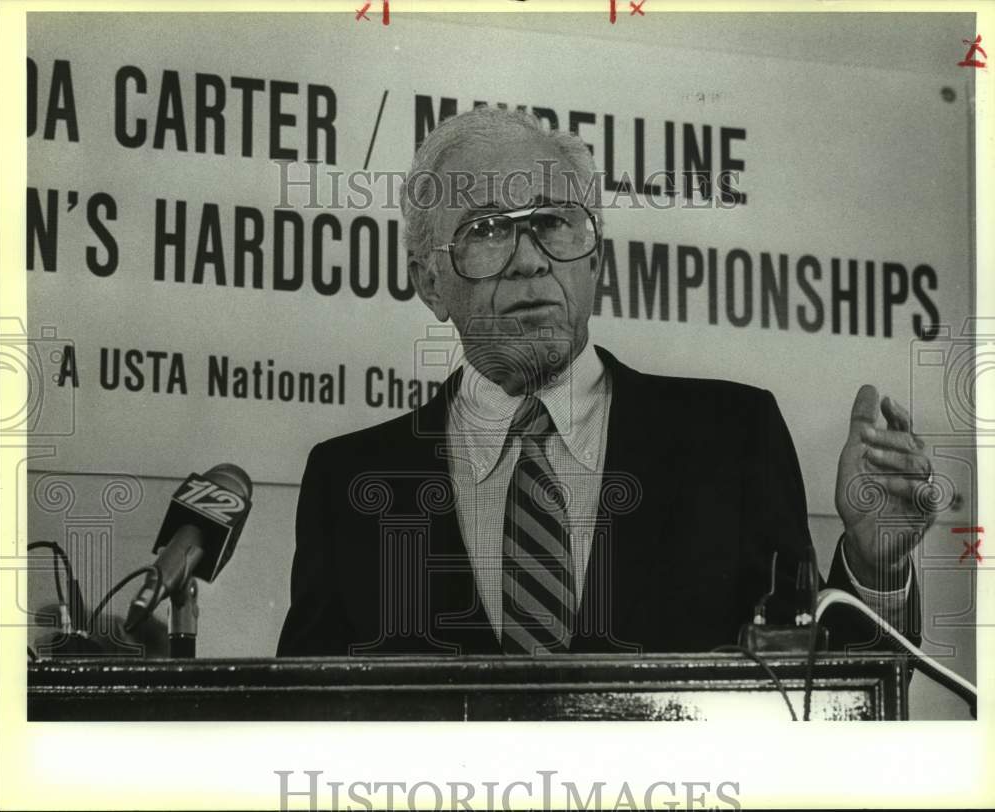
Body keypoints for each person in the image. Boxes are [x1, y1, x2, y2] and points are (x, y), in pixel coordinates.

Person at [277, 107, 936, 657]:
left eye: (554, 223)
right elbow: (301, 724)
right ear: (429, 283)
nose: (531, 260)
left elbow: (817, 699)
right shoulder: (348, 483)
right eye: (485, 230)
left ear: (597, 260)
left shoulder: (733, 439)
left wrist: (874, 570)